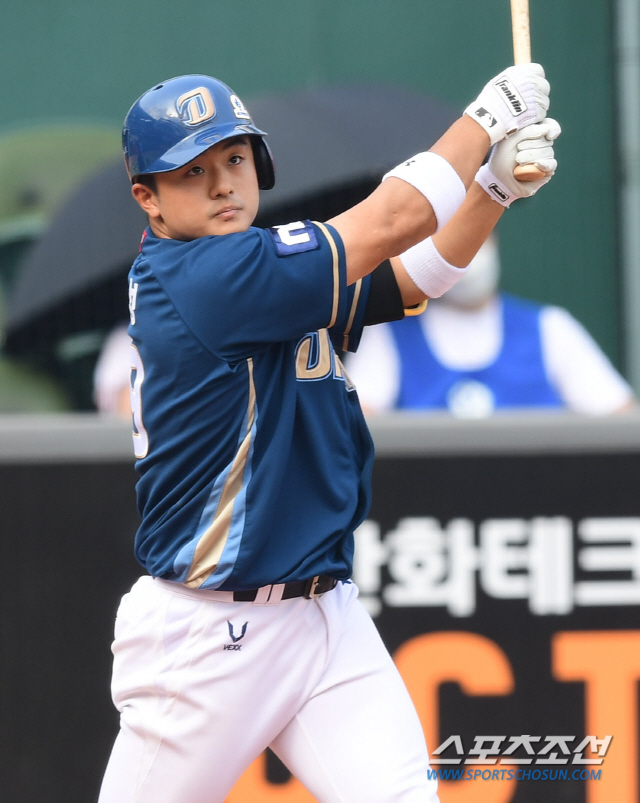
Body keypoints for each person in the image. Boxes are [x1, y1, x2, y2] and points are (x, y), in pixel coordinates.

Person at [97, 68, 557, 803]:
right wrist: (487, 118)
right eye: (191, 171)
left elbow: (415, 277)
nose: (222, 184)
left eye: (234, 159)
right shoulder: (204, 276)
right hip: (208, 631)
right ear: (147, 198)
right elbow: (394, 219)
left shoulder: (261, 267)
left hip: (324, 616)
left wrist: (492, 191)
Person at [346, 234, 635, 417]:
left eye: (475, 239)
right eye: (449, 244)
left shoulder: (551, 328)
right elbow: (359, 427)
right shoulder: (388, 332)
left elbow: (621, 422)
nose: (467, 256)